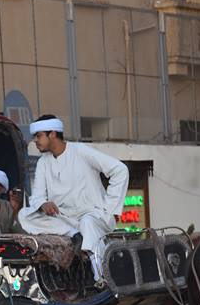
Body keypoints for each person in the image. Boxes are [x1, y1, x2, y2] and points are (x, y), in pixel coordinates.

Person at [18, 115, 129, 283]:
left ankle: (101, 279)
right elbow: (37, 196)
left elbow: (120, 170)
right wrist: (43, 204)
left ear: (53, 134)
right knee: (24, 215)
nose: (35, 141)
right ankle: (76, 235)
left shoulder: (81, 151)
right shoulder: (43, 163)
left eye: (39, 136)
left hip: (94, 216)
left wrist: (111, 210)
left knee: (87, 223)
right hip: (66, 221)